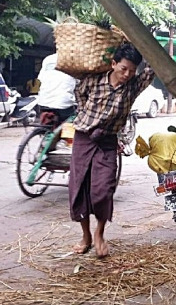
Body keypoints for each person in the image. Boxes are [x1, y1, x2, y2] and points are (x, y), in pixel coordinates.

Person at [69, 43, 154, 258]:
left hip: (107, 142)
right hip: (84, 138)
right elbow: (79, 93)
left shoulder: (133, 86)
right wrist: (85, 116)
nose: (127, 74)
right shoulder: (94, 80)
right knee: (80, 189)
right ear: (113, 64)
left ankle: (99, 233)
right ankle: (86, 235)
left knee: (103, 190)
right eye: (123, 68)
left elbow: (153, 69)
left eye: (132, 71)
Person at [37, 53, 77, 122]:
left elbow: (41, 78)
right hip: (64, 103)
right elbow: (80, 81)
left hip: (43, 101)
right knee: (75, 122)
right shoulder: (75, 60)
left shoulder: (48, 59)